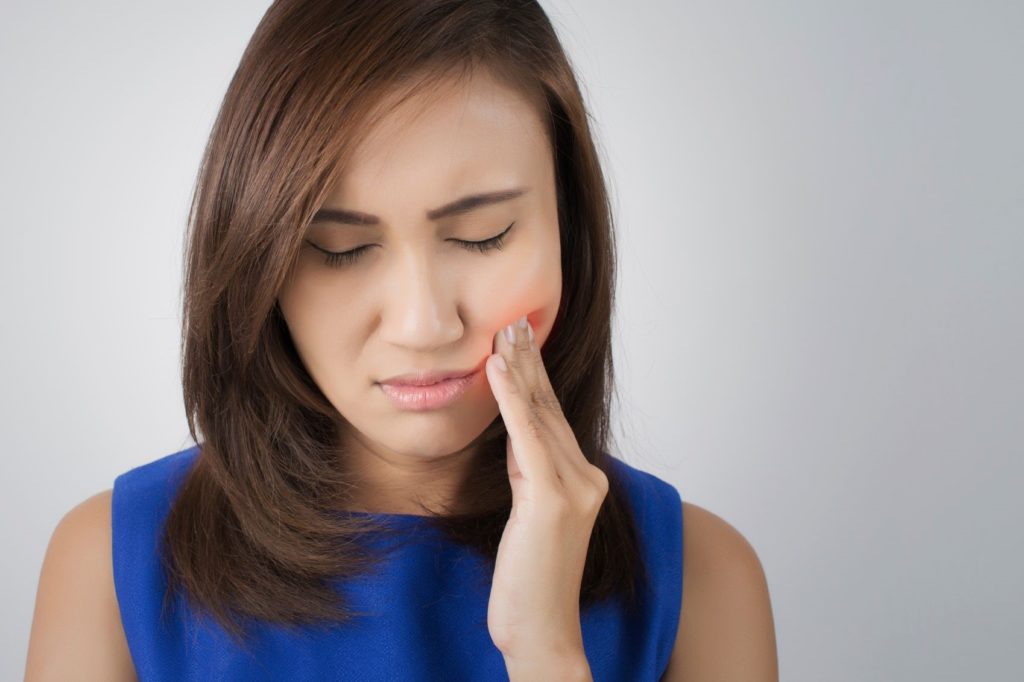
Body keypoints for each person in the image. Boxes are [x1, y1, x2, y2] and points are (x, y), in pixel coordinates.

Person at [25, 1, 777, 680]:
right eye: (342, 250)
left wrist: (546, 649)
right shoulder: (112, 567)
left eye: (483, 237)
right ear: (262, 263)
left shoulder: (706, 581)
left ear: (568, 232)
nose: (423, 325)